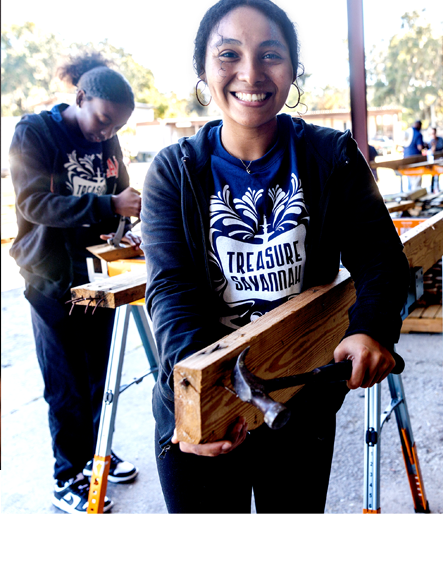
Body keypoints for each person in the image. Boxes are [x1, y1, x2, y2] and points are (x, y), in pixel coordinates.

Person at [141, 0, 409, 514]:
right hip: (203, 411)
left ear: (293, 69)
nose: (251, 73)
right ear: (203, 69)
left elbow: (381, 261)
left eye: (270, 54)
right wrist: (201, 400)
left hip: (300, 402)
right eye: (229, 54)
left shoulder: (333, 157)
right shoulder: (174, 172)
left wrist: (371, 328)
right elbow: (171, 290)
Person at [8, 52, 142, 514]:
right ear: (81, 97)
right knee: (65, 382)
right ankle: (67, 475)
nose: (107, 132)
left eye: (116, 126)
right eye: (103, 121)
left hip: (95, 274)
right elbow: (33, 204)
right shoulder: (34, 133)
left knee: (99, 375)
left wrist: (123, 228)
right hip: (48, 275)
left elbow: (118, 193)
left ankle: (97, 453)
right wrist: (109, 207)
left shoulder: (107, 137)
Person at [403, 119, 425, 189]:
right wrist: (425, 146)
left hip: (406, 158)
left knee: (410, 179)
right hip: (415, 160)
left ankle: (410, 192)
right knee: (416, 180)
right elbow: (420, 147)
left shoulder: (407, 133)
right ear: (419, 126)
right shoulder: (418, 134)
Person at [427, 127, 443, 192]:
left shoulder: (440, 139)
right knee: (433, 174)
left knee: (438, 174)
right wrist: (433, 145)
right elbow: (432, 151)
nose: (433, 134)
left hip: (440, 159)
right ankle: (432, 189)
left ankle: (437, 188)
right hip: (433, 159)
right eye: (432, 133)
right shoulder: (430, 141)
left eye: (434, 133)